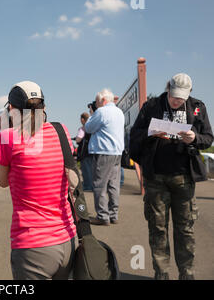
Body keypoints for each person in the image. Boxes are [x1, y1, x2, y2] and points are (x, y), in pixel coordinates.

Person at [129, 73, 213, 280]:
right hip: (156, 177)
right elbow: (134, 136)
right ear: (168, 89)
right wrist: (151, 133)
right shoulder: (151, 106)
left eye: (182, 98)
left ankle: (187, 273)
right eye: (174, 96)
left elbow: (208, 138)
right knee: (157, 228)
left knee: (185, 229)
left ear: (189, 94)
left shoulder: (198, 107)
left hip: (184, 177)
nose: (177, 101)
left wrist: (194, 138)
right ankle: (162, 273)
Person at [0, 81, 77, 280]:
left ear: (11, 109)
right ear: (44, 107)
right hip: (68, 239)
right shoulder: (61, 131)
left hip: (32, 247)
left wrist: (5, 128)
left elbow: (1, 181)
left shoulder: (8, 137)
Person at [84, 89, 125, 225]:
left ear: (103, 100)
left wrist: (92, 113)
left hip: (103, 151)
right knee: (113, 185)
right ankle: (113, 214)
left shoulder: (101, 112)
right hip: (117, 152)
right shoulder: (119, 112)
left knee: (99, 185)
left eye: (96, 102)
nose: (96, 105)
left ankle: (102, 216)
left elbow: (88, 128)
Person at [75, 112, 93, 191]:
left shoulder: (83, 128)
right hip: (91, 151)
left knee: (86, 170)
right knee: (91, 169)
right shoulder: (91, 127)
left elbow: (78, 139)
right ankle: (91, 185)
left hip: (84, 153)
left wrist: (76, 139)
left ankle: (87, 186)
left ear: (82, 119)